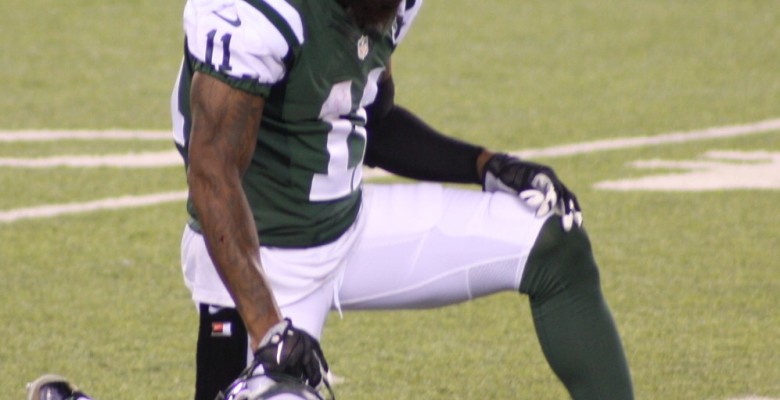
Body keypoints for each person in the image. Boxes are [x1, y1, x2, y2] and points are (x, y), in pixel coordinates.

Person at [167, 0, 635, 399]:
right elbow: (211, 174)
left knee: (553, 242)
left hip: (347, 223)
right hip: (258, 265)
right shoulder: (256, 12)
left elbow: (378, 124)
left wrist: (487, 165)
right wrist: (270, 329)